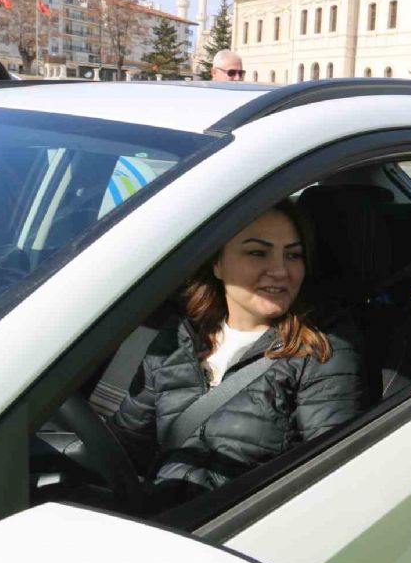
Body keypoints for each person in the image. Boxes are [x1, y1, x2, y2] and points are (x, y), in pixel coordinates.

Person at [109, 199, 364, 503]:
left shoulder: (320, 350)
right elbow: (124, 445)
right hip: (158, 516)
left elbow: (331, 475)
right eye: (258, 252)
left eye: (294, 255)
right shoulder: (180, 337)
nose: (281, 271)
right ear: (217, 263)